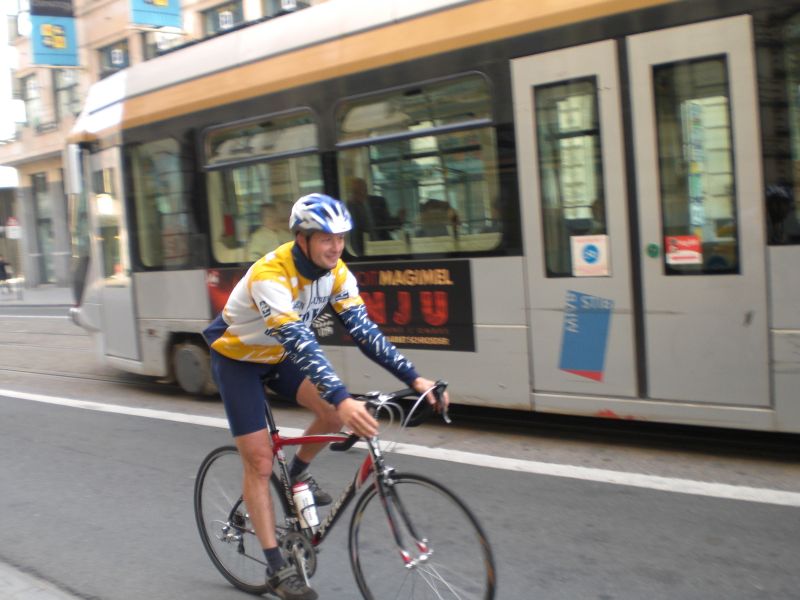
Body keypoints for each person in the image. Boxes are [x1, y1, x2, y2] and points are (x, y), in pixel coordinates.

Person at [203, 193, 447, 600]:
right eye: (326, 239)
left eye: (341, 238)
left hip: (278, 355)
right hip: (238, 359)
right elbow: (300, 339)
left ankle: (297, 473)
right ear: (302, 239)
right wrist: (341, 397)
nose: (336, 247)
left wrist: (415, 378)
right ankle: (277, 568)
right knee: (261, 461)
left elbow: (366, 333)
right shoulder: (270, 274)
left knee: (334, 416)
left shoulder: (336, 273)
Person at [346, 177, 404, 254]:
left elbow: (388, 224)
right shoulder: (348, 207)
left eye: (362, 189)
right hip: (361, 250)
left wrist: (399, 220)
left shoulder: (378, 202)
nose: (360, 193)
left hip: (383, 245)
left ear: (366, 189)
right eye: (355, 191)